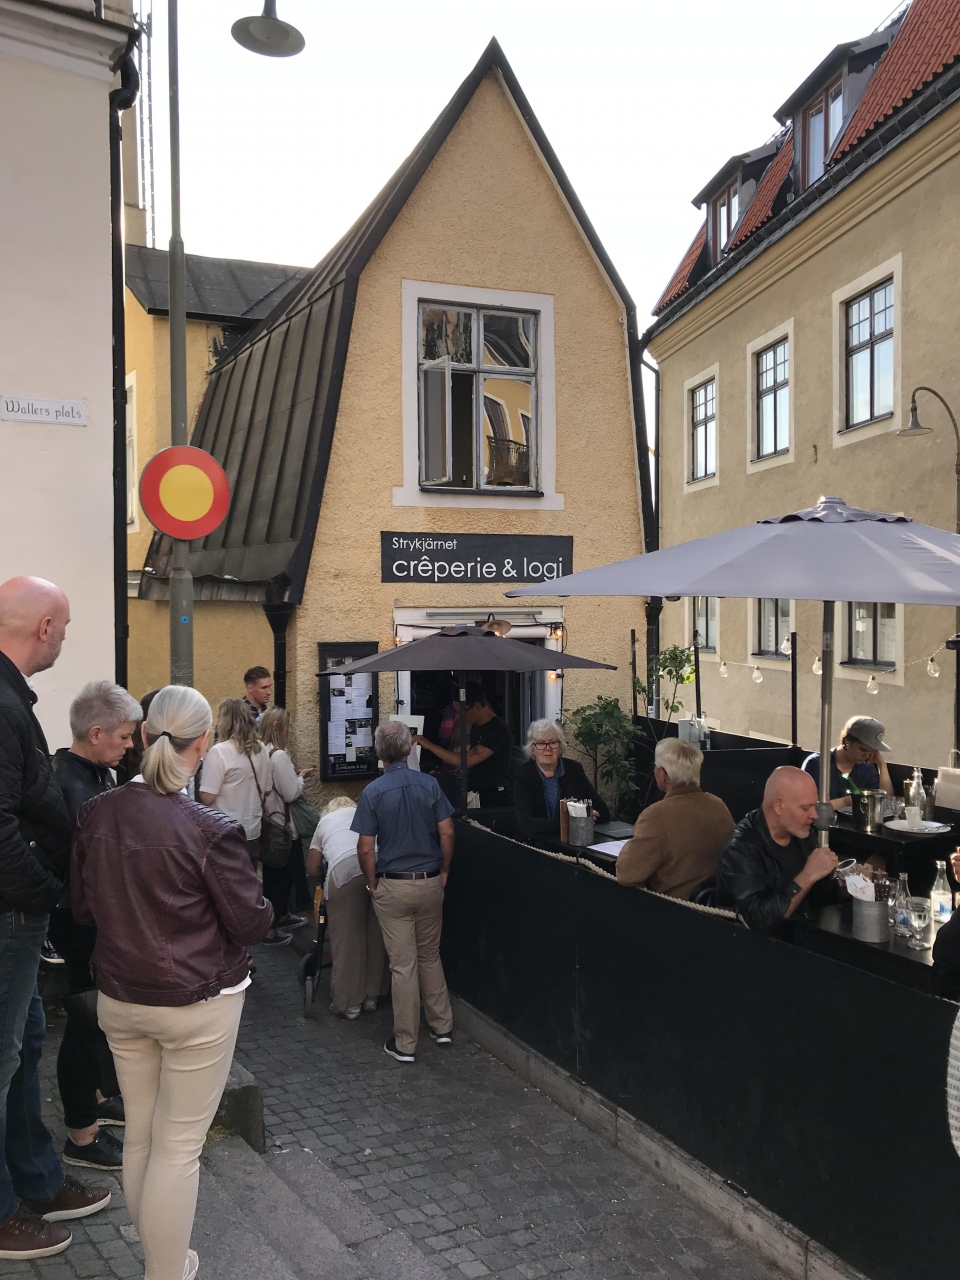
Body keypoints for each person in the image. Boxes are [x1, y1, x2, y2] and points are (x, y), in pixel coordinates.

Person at [72, 684, 273, 1280]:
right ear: (203, 741)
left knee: (142, 1136)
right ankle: (165, 1272)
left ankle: (164, 1263)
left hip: (121, 995)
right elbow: (251, 922)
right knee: (178, 1147)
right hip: (196, 1001)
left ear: (142, 733)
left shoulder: (96, 812)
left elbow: (83, 908)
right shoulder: (209, 827)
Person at [0, 576, 111, 1260]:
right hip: (11, 913)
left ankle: (34, 1180)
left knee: (26, 1045)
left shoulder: (12, 697)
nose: (65, 638)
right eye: (64, 627)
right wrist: (44, 892)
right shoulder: (2, 703)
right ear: (44, 627)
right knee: (4, 1054)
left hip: (21, 914)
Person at [51, 681, 142, 1173]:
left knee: (94, 1023)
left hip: (89, 920)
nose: (129, 746)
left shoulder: (90, 775)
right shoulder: (70, 786)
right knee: (85, 1024)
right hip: (79, 924)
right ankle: (81, 1136)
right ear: (95, 733)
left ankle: (99, 1100)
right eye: (124, 737)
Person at [353, 721, 455, 1063]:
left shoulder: (372, 792)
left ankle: (406, 1042)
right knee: (430, 956)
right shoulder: (430, 784)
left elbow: (365, 847)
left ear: (379, 753)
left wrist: (372, 883)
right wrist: (444, 870)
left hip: (393, 883)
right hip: (429, 880)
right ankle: (442, 1026)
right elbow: (448, 832)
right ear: (410, 749)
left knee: (403, 964)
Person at [200, 700, 287, 947]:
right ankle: (261, 931)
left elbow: (207, 797)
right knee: (248, 883)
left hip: (224, 832)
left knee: (226, 889)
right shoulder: (260, 750)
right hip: (252, 830)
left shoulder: (219, 752)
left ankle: (235, 942)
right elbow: (267, 789)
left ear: (224, 721)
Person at [716, 766, 840, 932]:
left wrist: (843, 886)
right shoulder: (741, 848)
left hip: (800, 932)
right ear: (778, 806)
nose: (815, 815)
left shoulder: (801, 833)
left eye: (814, 806)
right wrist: (808, 875)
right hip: (752, 942)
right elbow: (760, 919)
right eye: (805, 808)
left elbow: (813, 896)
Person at [616, 739, 734, 899]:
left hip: (671, 908)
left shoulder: (655, 815)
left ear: (662, 774)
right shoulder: (718, 805)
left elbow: (627, 874)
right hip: (716, 906)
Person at [307, 797, 388, 1019]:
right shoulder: (365, 815)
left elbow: (312, 867)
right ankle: (372, 996)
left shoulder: (325, 822)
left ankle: (349, 1004)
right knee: (376, 935)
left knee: (347, 940)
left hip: (344, 871)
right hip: (378, 866)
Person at [415, 684, 513, 807]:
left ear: (477, 706)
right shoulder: (476, 726)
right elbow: (469, 760)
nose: (460, 717)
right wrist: (442, 774)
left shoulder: (496, 730)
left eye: (462, 712)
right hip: (476, 790)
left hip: (494, 795)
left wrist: (429, 745)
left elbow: (465, 761)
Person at [259, 707, 312, 930]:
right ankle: (277, 922)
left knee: (272, 876)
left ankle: (273, 919)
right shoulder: (279, 756)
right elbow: (290, 793)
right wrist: (300, 778)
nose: (289, 731)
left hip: (268, 823)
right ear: (277, 726)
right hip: (283, 825)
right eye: (287, 726)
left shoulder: (261, 751)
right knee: (283, 877)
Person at [513, 719, 609, 838]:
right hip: (537, 843)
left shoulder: (574, 769)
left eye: (553, 742)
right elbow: (527, 824)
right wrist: (574, 820)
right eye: (541, 743)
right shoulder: (523, 775)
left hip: (572, 841)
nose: (548, 748)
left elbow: (603, 812)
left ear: (560, 747)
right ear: (532, 749)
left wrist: (584, 816)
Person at [801, 716, 894, 810]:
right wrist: (846, 801)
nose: (868, 757)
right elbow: (807, 806)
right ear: (847, 742)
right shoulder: (816, 764)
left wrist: (882, 764)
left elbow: (886, 802)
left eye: (873, 752)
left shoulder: (867, 767)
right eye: (863, 750)